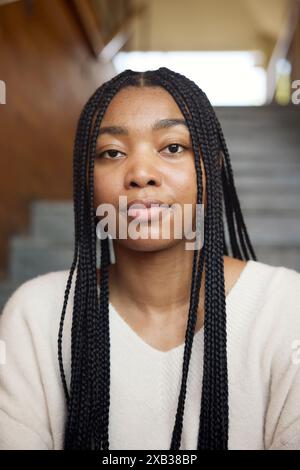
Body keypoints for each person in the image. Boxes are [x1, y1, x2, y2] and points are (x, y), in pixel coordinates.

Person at [0, 67, 300, 450]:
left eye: (173, 147)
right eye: (112, 152)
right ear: (86, 181)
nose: (141, 174)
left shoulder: (286, 307)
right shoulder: (36, 315)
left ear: (212, 166)